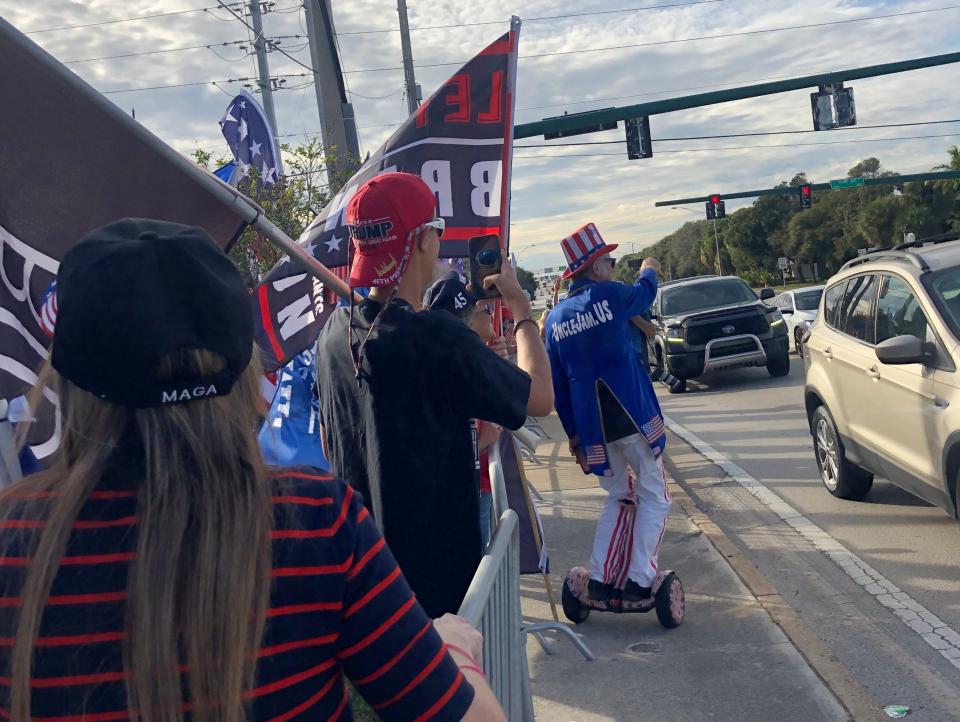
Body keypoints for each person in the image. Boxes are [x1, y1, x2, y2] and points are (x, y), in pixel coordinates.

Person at [0, 218, 505, 722]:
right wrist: (452, 650)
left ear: (65, 382)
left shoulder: (13, 540)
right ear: (244, 370)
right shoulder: (315, 522)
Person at [315, 172, 553, 617]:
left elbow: (332, 441)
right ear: (423, 238)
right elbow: (539, 397)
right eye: (438, 230)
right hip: (437, 603)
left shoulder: (332, 336)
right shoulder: (437, 339)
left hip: (362, 589)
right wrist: (521, 310)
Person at [545, 222, 670, 604]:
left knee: (617, 495)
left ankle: (599, 576)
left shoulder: (553, 321)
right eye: (610, 261)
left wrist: (575, 437)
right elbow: (644, 293)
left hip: (593, 427)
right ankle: (639, 577)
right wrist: (649, 267)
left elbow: (558, 388)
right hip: (632, 417)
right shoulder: (612, 296)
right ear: (596, 266)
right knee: (655, 496)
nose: (613, 267)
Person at [424, 273, 504, 548]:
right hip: (467, 488)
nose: (491, 313)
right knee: (475, 569)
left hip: (477, 484)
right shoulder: (447, 371)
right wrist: (482, 443)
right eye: (483, 308)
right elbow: (540, 398)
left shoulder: (470, 361)